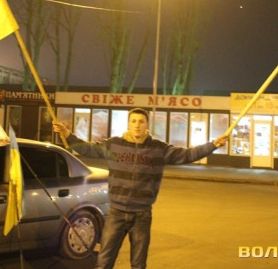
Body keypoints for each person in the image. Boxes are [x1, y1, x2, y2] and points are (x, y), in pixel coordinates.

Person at [53, 107, 228, 269]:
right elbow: (86, 149)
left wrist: (212, 145)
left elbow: (188, 154)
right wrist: (66, 134)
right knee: (104, 262)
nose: (137, 125)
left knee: (138, 264)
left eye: (141, 122)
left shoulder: (158, 149)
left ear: (147, 125)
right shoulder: (113, 145)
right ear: (128, 124)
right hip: (116, 213)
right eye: (134, 121)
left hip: (142, 215)